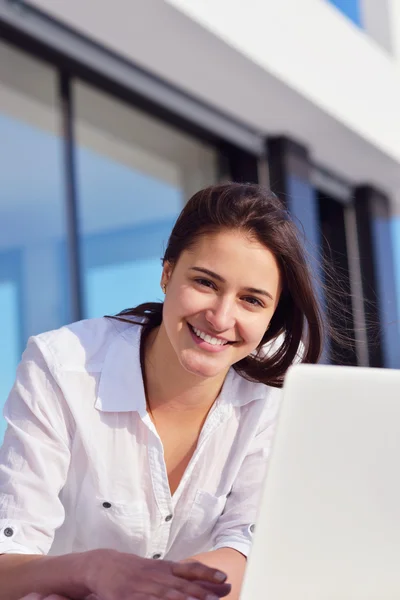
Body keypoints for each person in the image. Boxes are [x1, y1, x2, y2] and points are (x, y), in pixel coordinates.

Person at [0, 182, 325, 600]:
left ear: (271, 314)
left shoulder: (278, 384)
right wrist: (94, 569)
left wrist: (161, 589)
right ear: (167, 272)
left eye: (251, 300)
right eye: (206, 283)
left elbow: (249, 544)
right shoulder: (63, 366)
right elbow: (8, 558)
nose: (222, 318)